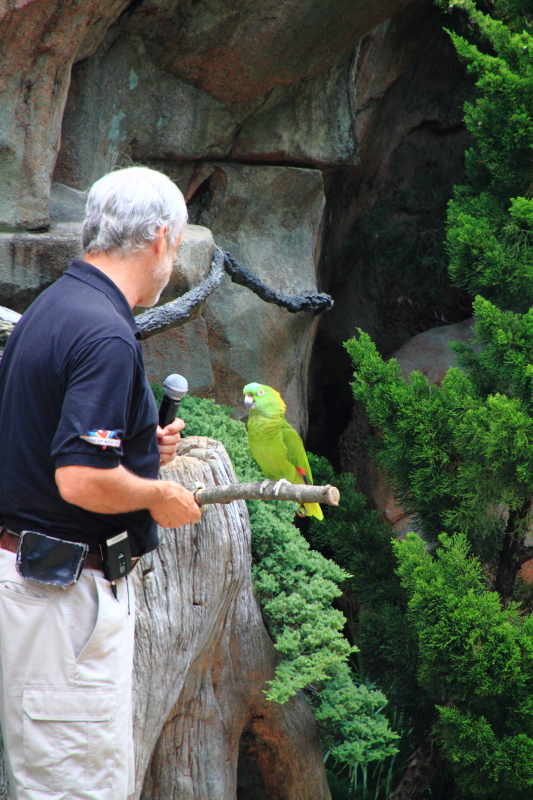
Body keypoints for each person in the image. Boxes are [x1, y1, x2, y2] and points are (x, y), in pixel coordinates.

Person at [0, 166, 201, 800]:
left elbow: (34, 443)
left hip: (27, 585)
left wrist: (144, 455)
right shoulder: (108, 335)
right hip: (61, 604)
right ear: (161, 239)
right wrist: (158, 494)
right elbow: (82, 479)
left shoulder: (54, 307)